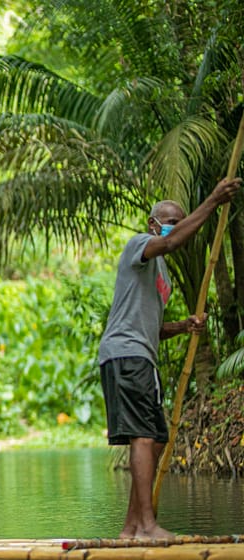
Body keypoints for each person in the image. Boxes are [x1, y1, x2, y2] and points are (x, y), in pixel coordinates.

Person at [98, 176, 241, 539]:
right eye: (170, 220)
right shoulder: (141, 246)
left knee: (156, 439)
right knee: (144, 437)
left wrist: (184, 326)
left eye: (179, 220)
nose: (175, 226)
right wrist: (212, 200)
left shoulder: (162, 276)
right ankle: (147, 526)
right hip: (125, 354)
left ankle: (131, 527)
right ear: (153, 224)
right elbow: (173, 240)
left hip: (143, 357)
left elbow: (154, 327)